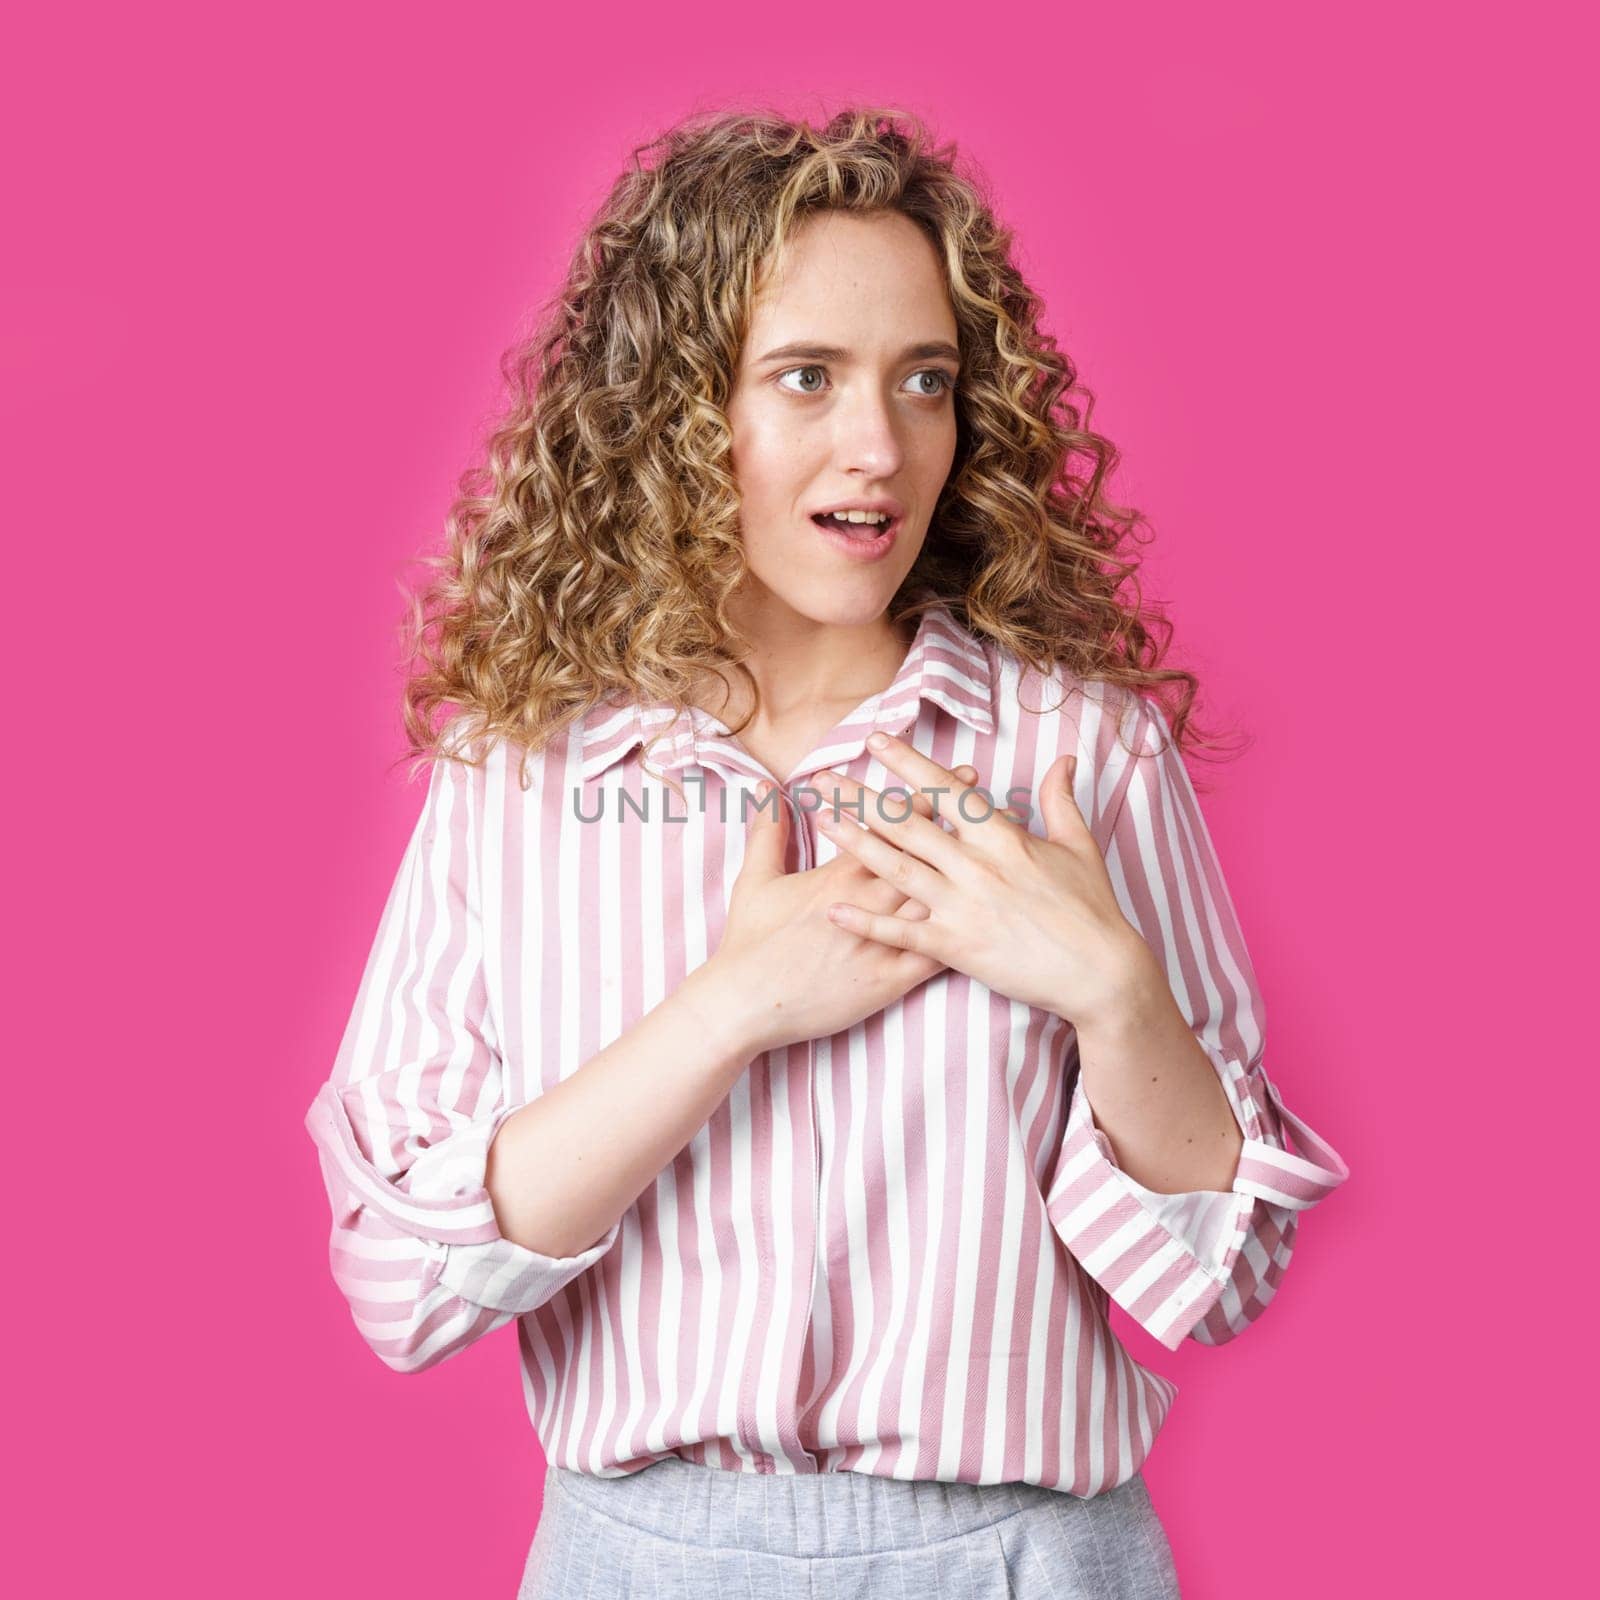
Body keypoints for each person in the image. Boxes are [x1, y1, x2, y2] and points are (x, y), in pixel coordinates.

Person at [303, 105, 1350, 1599]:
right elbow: (403, 1284)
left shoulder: (1080, 757)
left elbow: (1215, 1281)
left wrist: (1115, 998)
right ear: (669, 417)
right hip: (636, 1567)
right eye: (807, 378)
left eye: (924, 382)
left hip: (1026, 1563)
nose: (881, 449)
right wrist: (732, 1008)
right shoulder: (517, 775)